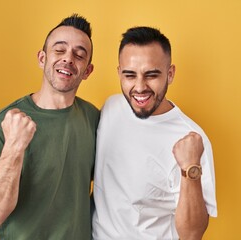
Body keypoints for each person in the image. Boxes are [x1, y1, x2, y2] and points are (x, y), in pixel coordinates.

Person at [0, 14, 100, 240]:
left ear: (88, 71)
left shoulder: (94, 119)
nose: (68, 59)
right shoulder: (6, 122)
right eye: (59, 50)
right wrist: (15, 145)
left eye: (79, 55)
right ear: (42, 58)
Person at [92, 26, 217, 240]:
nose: (139, 87)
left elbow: (192, 234)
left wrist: (190, 168)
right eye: (130, 75)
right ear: (119, 73)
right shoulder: (112, 107)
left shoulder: (191, 137)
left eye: (151, 75)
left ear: (170, 74)